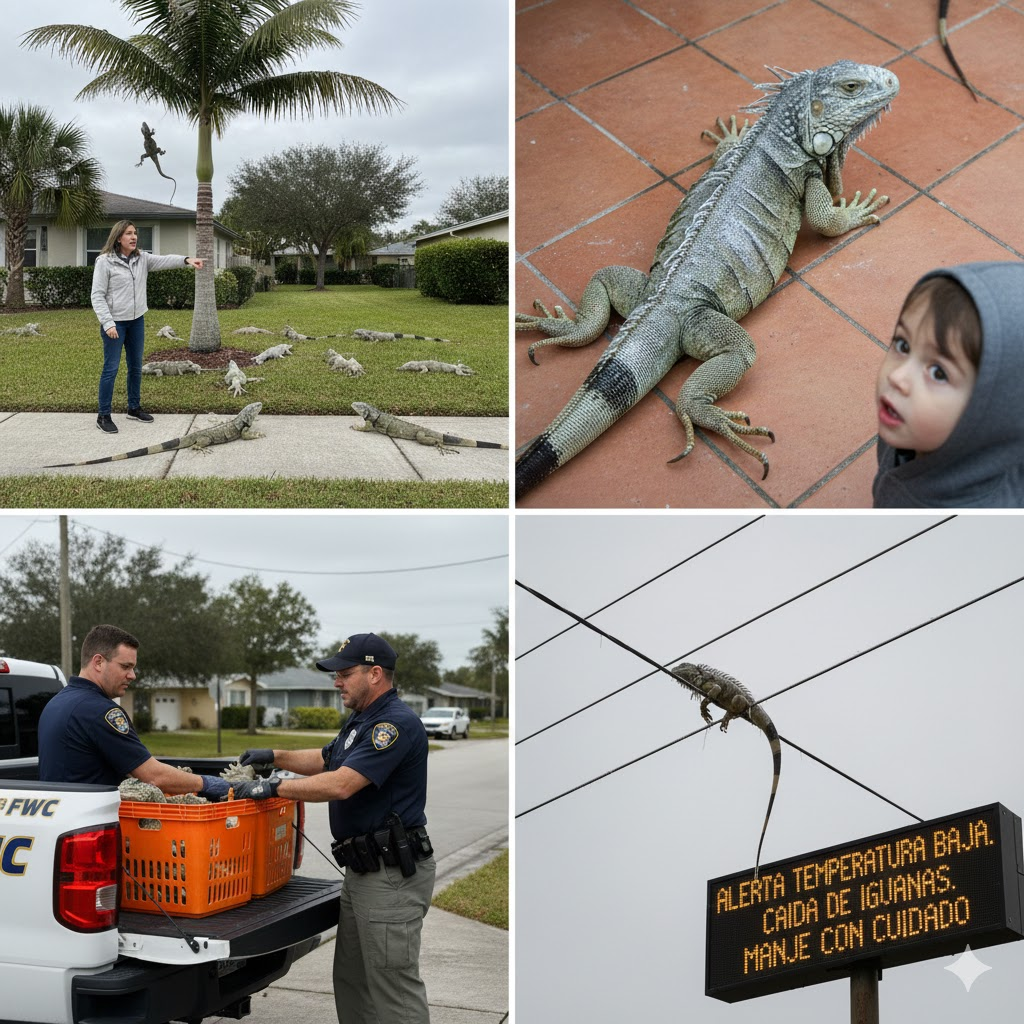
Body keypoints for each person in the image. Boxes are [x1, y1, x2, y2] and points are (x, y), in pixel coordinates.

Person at [232, 633, 435, 1024]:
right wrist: (275, 756)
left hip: (390, 877)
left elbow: (342, 783)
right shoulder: (363, 720)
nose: (336, 681)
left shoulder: (393, 725)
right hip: (363, 872)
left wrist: (271, 786)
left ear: (375, 674)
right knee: (353, 982)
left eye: (344, 673)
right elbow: (327, 759)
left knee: (393, 989)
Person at [873, 260, 1024, 508]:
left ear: (993, 414)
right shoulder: (903, 421)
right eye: (903, 345)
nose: (898, 377)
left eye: (938, 373)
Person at [38, 623, 230, 799]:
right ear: (98, 662)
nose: (132, 675)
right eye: (125, 666)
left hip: (59, 816)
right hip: (91, 824)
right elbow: (154, 776)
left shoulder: (56, 703)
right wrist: (208, 783)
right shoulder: (100, 711)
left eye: (133, 667)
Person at [90, 219, 204, 434]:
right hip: (115, 324)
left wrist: (187, 260)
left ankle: (133, 408)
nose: (133, 237)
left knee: (135, 367)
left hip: (136, 321)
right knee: (111, 369)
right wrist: (107, 323)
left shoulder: (142, 259)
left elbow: (165, 260)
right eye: (128, 233)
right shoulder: (104, 262)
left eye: (135, 233)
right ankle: (103, 415)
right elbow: (97, 295)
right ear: (118, 237)